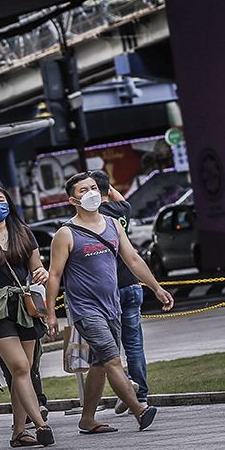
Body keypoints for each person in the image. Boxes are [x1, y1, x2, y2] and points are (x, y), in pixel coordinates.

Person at [45, 173, 175, 434]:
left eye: (93, 187)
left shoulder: (113, 224)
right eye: (83, 190)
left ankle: (87, 419)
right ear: (73, 200)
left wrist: (156, 288)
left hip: (112, 306)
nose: (91, 193)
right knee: (113, 360)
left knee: (99, 365)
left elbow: (133, 259)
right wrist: (50, 314)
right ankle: (140, 410)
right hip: (85, 310)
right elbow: (55, 275)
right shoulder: (65, 234)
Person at [0, 184, 54, 448]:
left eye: (1, 199)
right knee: (20, 367)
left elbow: (37, 269)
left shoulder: (23, 233)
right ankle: (40, 424)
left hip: (25, 306)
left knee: (23, 370)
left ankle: (18, 432)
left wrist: (43, 273)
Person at [91, 170, 147, 412]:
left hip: (107, 289)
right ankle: (140, 396)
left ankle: (126, 387)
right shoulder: (123, 210)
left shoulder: (93, 218)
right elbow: (117, 197)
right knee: (134, 344)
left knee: (108, 347)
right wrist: (108, 187)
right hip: (131, 284)